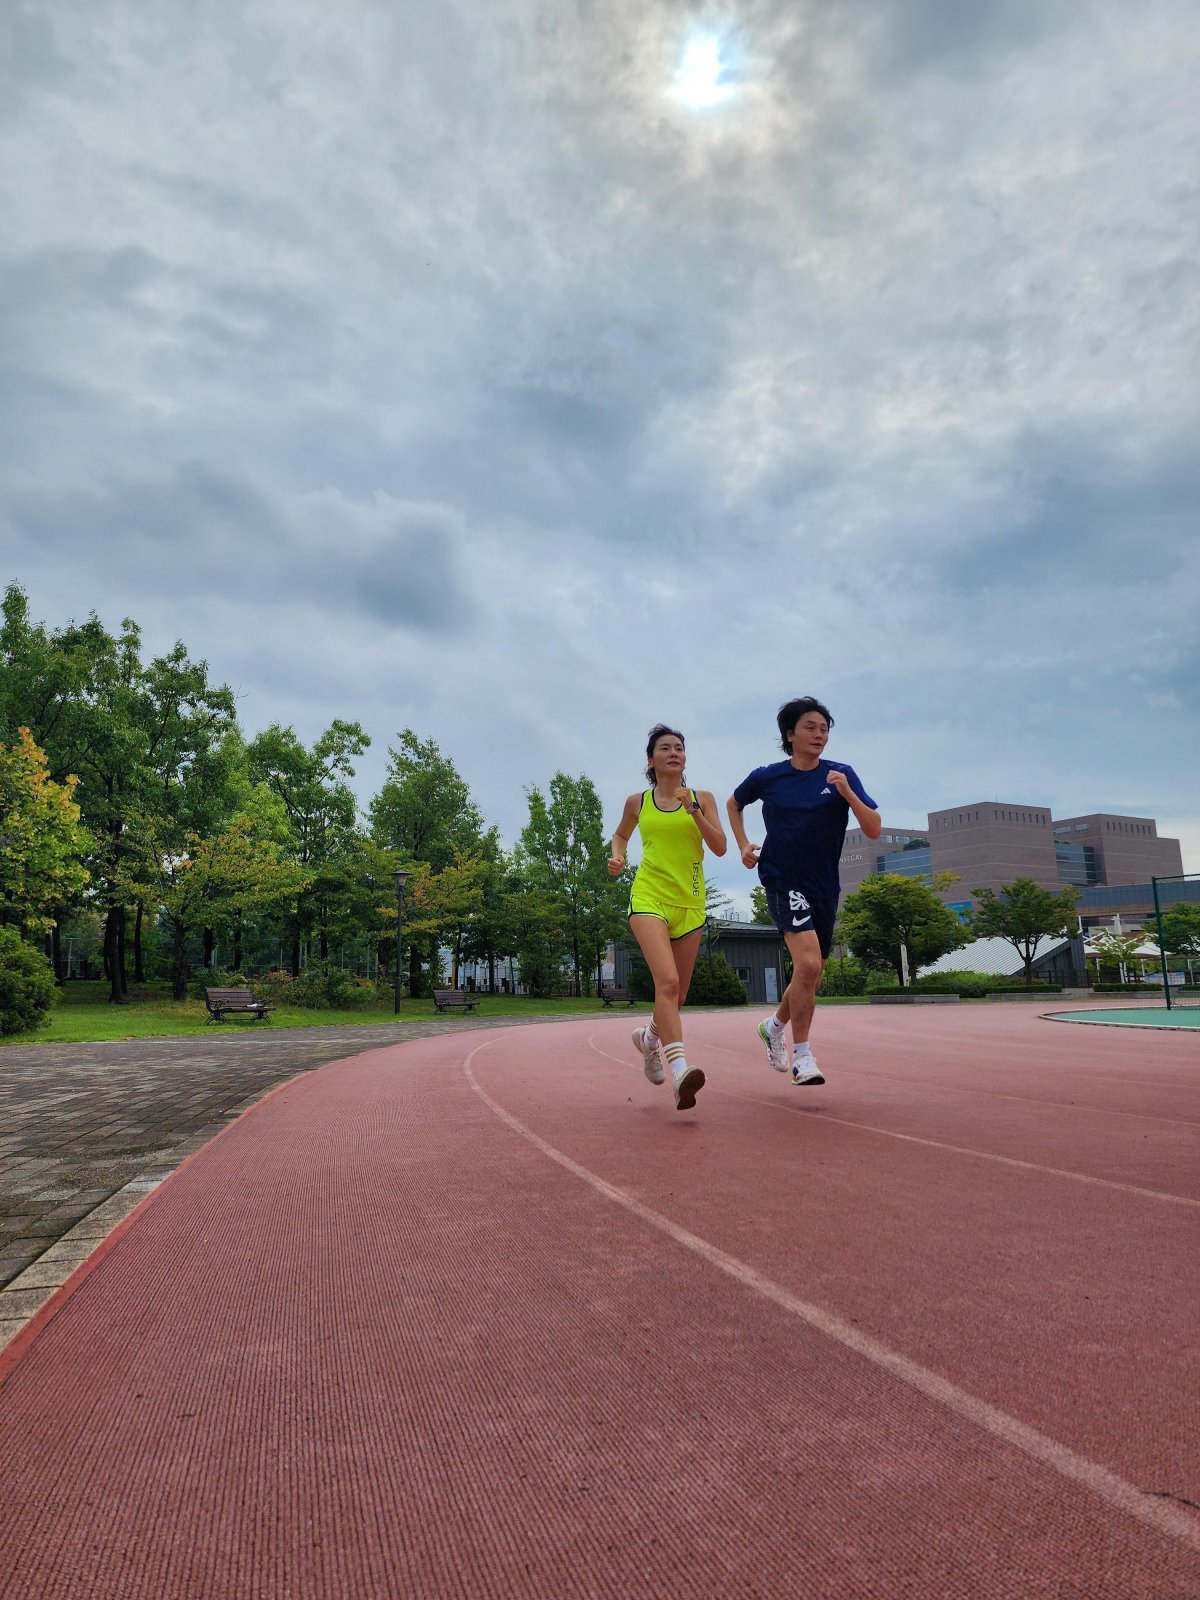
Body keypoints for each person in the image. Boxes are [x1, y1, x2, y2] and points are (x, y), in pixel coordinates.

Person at [726, 697, 880, 1086]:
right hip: (782, 878)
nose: (819, 734)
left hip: (824, 885)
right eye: (810, 727)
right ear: (790, 734)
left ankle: (774, 1025)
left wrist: (848, 793)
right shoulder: (768, 776)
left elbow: (875, 827)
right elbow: (734, 803)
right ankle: (803, 1057)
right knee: (808, 965)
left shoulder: (840, 774)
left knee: (812, 972)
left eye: (825, 728)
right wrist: (743, 844)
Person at [608, 725, 727, 1110]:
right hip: (648, 898)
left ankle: (648, 1040)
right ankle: (680, 1072)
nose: (674, 753)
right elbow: (621, 835)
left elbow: (720, 847)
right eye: (665, 748)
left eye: (679, 748)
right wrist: (618, 856)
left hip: (690, 903)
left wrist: (692, 809)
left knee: (678, 995)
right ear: (651, 760)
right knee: (668, 981)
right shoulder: (637, 802)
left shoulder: (702, 798)